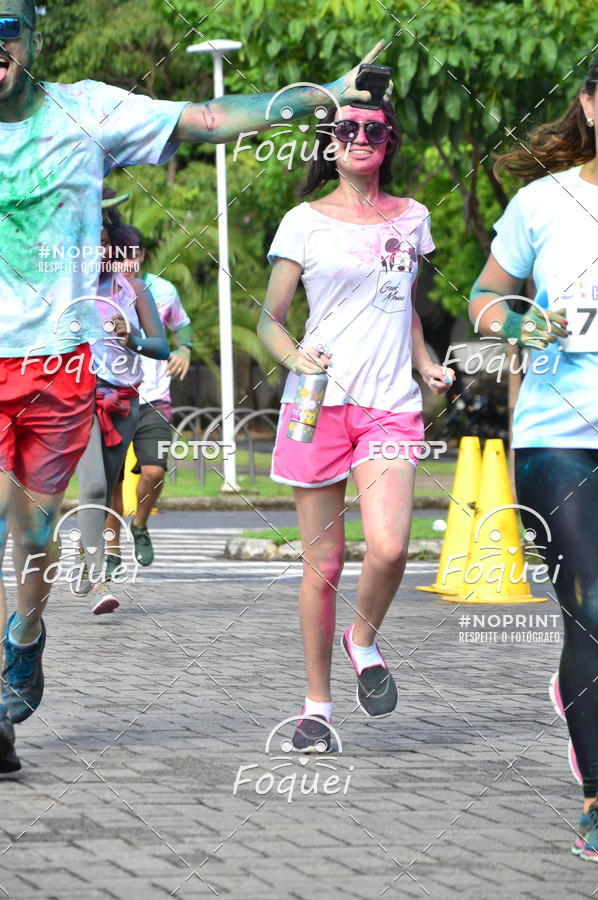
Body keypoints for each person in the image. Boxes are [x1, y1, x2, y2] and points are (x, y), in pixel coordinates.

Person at [0, 0, 387, 771]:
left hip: (55, 366)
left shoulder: (88, 111)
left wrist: (325, 93)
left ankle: (26, 635)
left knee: (32, 537)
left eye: (6, 28)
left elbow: (208, 118)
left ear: (32, 38)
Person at [258, 100, 455, 752]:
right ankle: (317, 707)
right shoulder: (302, 223)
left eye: (374, 129)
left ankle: (362, 639)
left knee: (391, 547)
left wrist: (425, 364)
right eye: (349, 129)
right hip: (317, 403)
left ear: (389, 140)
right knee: (325, 563)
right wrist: (295, 355)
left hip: (388, 404)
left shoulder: (414, 218)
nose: (361, 137)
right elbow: (272, 320)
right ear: (332, 143)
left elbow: (404, 312)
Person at [469, 52, 598, 861]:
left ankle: (574, 689)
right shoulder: (540, 203)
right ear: (590, 102)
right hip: (560, 434)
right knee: (593, 607)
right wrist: (517, 325)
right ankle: (597, 794)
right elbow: (485, 297)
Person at [73, 221, 168, 614]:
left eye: (105, 243)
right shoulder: (67, 289)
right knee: (94, 487)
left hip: (125, 401)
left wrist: (133, 339)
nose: (98, 250)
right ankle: (98, 581)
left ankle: (83, 552)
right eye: (90, 244)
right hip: (78, 399)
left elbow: (162, 346)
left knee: (106, 489)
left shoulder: (134, 289)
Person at [103, 226, 193, 573]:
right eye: (118, 254)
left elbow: (182, 326)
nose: (124, 261)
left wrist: (184, 347)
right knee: (112, 479)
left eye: (131, 254)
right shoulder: (100, 291)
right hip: (112, 396)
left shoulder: (163, 291)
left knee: (154, 471)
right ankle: (111, 550)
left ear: (140, 256)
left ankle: (138, 525)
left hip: (154, 398)